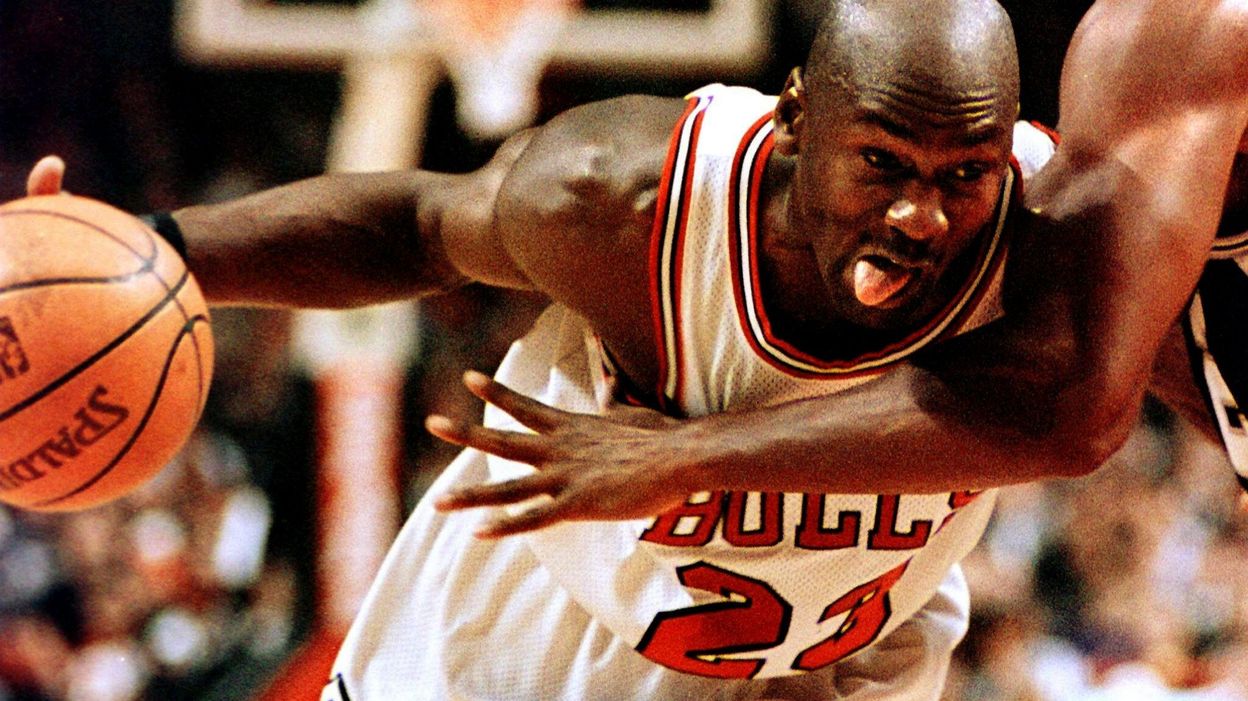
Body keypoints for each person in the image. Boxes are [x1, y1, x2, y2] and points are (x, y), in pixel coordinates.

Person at [19, 0, 1248, 699]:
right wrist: (157, 248)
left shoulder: (1042, 242)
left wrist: (681, 459)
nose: (921, 215)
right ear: (797, 123)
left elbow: (1078, 409)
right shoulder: (628, 198)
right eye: (881, 164)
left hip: (819, 671)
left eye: (961, 174)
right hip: (521, 649)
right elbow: (413, 224)